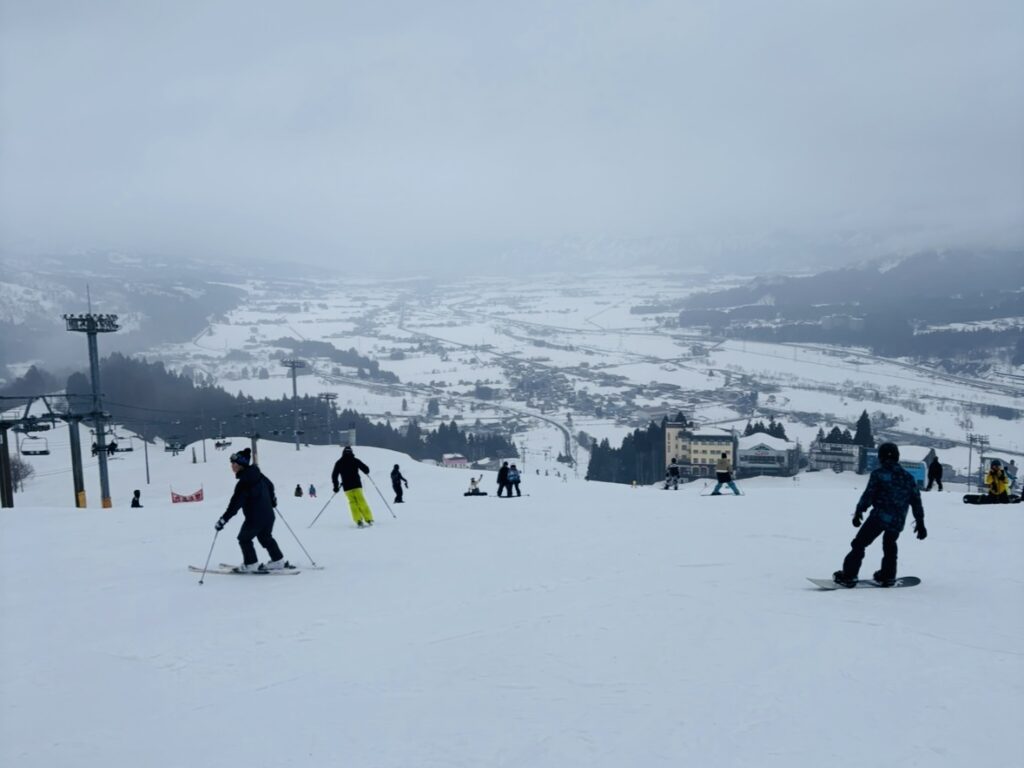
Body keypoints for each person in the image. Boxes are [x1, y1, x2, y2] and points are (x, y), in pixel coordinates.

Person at [833, 442, 926, 587]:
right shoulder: (908, 478)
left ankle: (849, 575)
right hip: (898, 520)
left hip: (879, 517)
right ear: (897, 457)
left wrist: (859, 512)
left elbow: (868, 495)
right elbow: (916, 501)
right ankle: (887, 576)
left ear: (880, 457)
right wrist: (920, 523)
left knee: (859, 543)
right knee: (889, 545)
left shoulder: (879, 474)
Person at [215, 448, 287, 572]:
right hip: (269, 515)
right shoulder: (258, 475)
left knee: (244, 538)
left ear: (240, 465)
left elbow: (234, 506)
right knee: (265, 537)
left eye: (234, 464)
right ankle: (278, 560)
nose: (232, 466)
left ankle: (251, 564)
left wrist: (223, 520)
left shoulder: (244, 483)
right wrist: (272, 500)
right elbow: (270, 485)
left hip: (255, 518)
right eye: (231, 464)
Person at [331, 446, 374, 527]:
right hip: (357, 485)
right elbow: (366, 469)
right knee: (361, 501)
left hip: (347, 487)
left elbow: (334, 475)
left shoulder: (339, 462)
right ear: (351, 452)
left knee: (352, 503)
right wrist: (366, 470)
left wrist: (336, 486)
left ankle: (358, 519)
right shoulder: (355, 460)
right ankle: (369, 519)